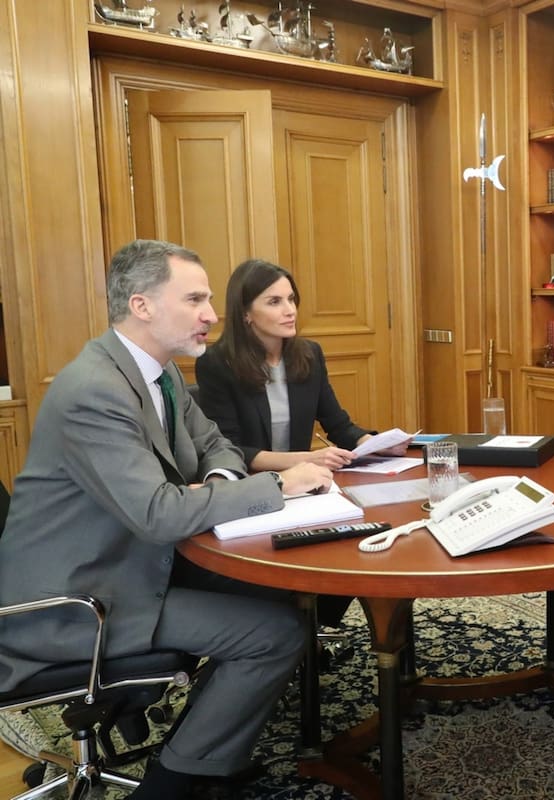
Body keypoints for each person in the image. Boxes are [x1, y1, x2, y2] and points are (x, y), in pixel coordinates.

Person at [0, 239, 332, 798]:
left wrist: (223, 480)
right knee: (272, 635)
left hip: (130, 564)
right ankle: (174, 783)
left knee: (277, 589)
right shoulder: (94, 391)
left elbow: (216, 444)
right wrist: (274, 484)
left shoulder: (162, 374)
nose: (210, 314)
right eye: (195, 298)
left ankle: (203, 743)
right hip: (78, 599)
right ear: (142, 306)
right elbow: (157, 513)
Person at [196, 258, 408, 474]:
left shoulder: (309, 354)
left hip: (305, 482)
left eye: (291, 299)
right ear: (245, 313)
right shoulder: (216, 363)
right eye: (274, 302)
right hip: (250, 483)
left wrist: (376, 443)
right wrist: (309, 459)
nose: (290, 311)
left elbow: (338, 426)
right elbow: (230, 449)